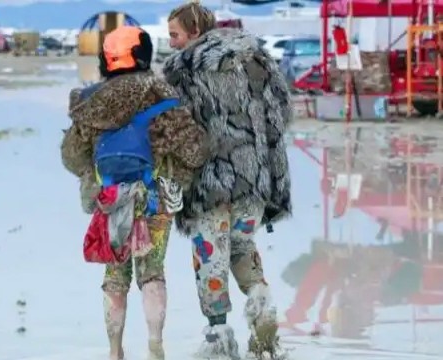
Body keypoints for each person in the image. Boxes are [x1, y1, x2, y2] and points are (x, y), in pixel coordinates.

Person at [60, 26, 209, 360]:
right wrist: (177, 178)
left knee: (114, 275)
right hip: (155, 197)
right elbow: (195, 150)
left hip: (110, 199)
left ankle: (114, 352)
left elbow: (71, 155)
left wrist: (93, 179)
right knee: (152, 271)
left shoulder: (90, 100)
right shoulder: (162, 95)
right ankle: (155, 347)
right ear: (143, 55)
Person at [162, 1, 293, 359]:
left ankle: (218, 337)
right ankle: (262, 307)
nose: (171, 42)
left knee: (210, 256)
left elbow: (174, 132)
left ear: (194, 33)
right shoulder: (257, 58)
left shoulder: (183, 69)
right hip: (254, 180)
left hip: (209, 183)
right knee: (242, 246)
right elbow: (281, 113)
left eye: (174, 35)